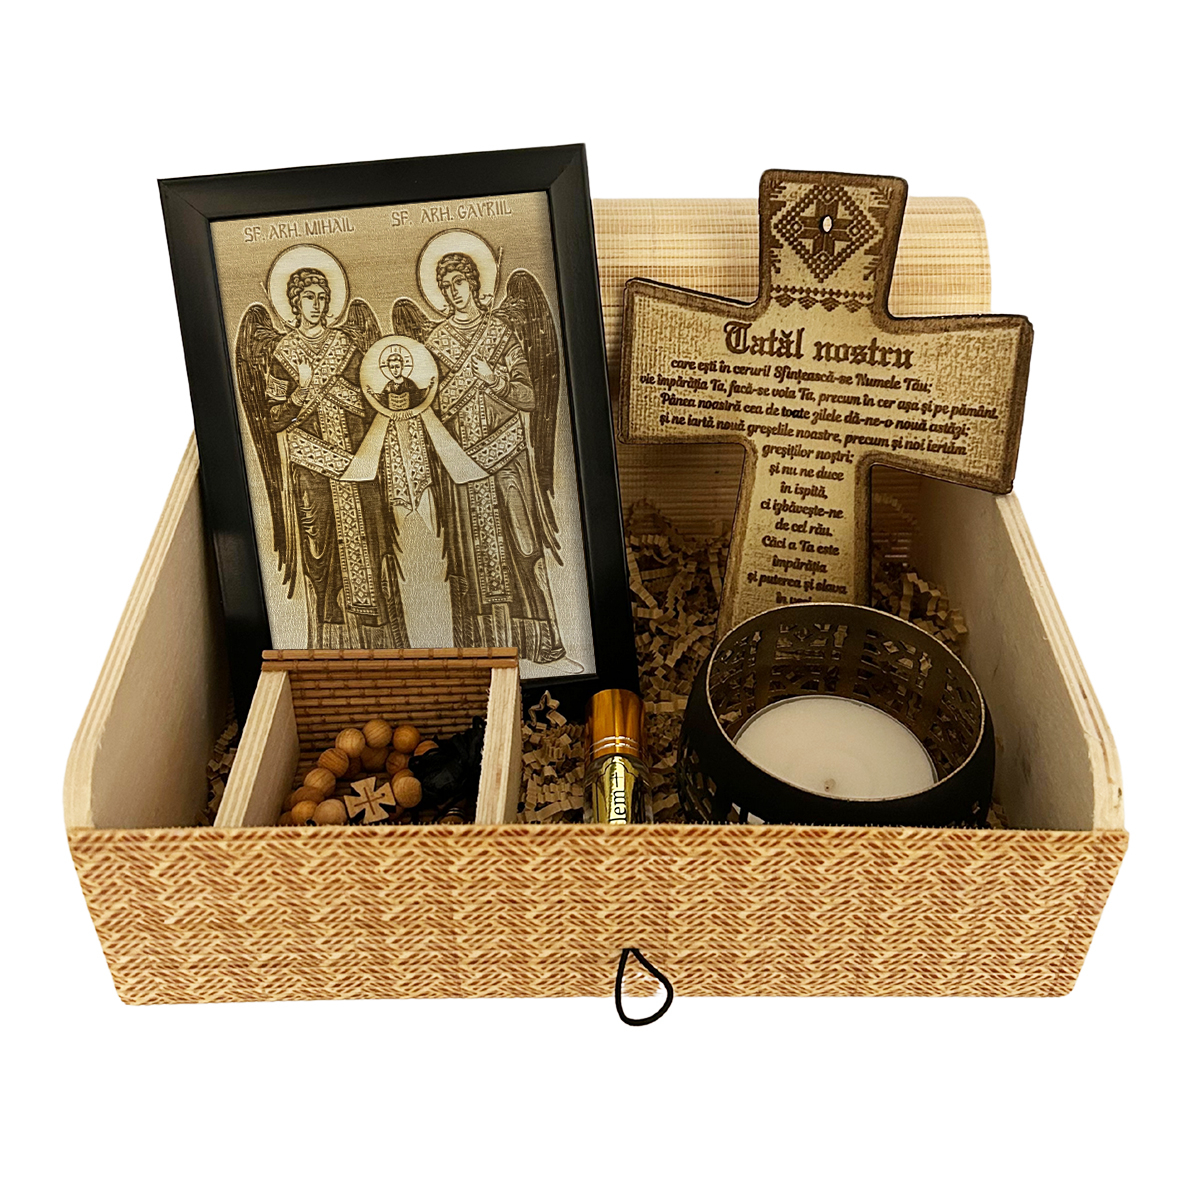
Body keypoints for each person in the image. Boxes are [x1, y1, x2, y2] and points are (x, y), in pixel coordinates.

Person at [422, 252, 564, 663]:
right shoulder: (435, 345)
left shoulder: (501, 334)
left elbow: (529, 397)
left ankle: (538, 639)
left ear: (473, 283)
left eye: (459, 282)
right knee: (472, 557)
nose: (454, 292)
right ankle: (481, 648)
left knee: (523, 546)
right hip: (463, 468)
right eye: (446, 286)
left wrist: (496, 380)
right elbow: (431, 407)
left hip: (507, 460)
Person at [260, 267, 408, 648]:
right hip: (313, 470)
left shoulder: (347, 346)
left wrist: (390, 395)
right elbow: (273, 419)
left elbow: (369, 399)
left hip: (358, 465)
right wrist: (302, 390)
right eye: (309, 297)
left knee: (371, 545)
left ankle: (380, 641)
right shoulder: (282, 355)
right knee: (320, 553)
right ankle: (333, 643)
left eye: (322, 298)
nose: (317, 304)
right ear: (295, 303)